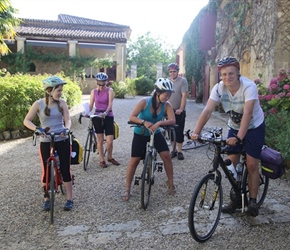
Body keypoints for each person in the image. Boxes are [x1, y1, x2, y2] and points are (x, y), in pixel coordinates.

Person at [190, 56, 265, 217]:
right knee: (231, 162)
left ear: (238, 73)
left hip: (254, 126)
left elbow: (248, 113)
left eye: (230, 74)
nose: (227, 77)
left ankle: (252, 200)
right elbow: (208, 110)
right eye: (223, 74)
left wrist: (239, 138)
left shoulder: (248, 87)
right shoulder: (218, 88)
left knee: (252, 164)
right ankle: (237, 196)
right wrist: (196, 132)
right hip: (234, 126)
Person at [23, 76, 74, 211]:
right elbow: (27, 120)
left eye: (61, 90)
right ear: (49, 91)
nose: (60, 93)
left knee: (65, 168)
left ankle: (69, 198)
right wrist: (37, 129)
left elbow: (68, 120)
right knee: (46, 171)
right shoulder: (38, 104)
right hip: (45, 141)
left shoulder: (62, 103)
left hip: (62, 139)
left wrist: (66, 130)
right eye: (58, 90)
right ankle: (46, 198)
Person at [122, 78, 176, 201]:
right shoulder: (144, 102)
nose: (167, 97)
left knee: (166, 156)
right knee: (134, 160)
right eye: (165, 94)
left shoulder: (167, 105)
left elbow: (173, 120)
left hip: (155, 132)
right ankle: (127, 188)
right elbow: (132, 116)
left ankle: (171, 183)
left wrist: (159, 124)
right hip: (140, 132)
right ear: (157, 92)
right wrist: (143, 122)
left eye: (169, 95)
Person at [89, 72, 120, 168]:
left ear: (106, 83)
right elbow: (90, 105)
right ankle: (102, 160)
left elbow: (110, 104)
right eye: (99, 84)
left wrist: (106, 113)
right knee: (100, 140)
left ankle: (110, 157)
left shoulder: (110, 91)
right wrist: (86, 112)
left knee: (110, 140)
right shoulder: (93, 92)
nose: (101, 86)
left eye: (103, 84)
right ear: (97, 82)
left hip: (108, 115)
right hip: (97, 116)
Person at [167, 63, 189, 160]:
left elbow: (184, 95)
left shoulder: (182, 81)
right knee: (171, 132)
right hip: (169, 110)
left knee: (179, 131)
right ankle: (174, 150)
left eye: (174, 71)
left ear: (177, 72)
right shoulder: (167, 81)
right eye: (170, 72)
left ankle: (180, 151)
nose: (172, 73)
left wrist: (181, 108)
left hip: (178, 111)